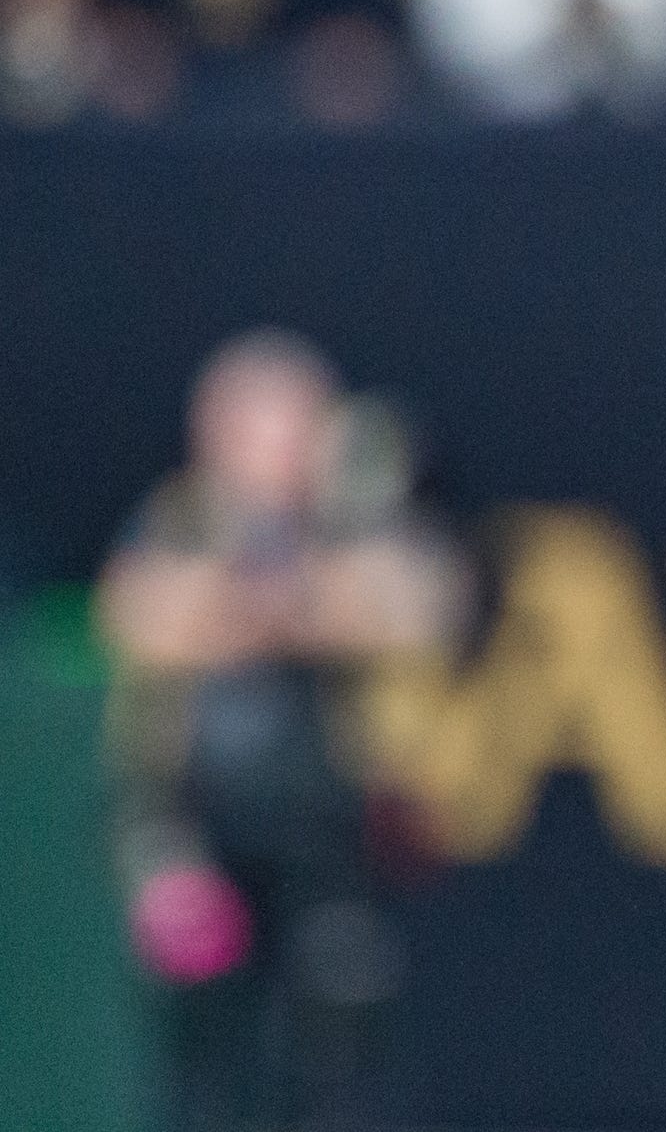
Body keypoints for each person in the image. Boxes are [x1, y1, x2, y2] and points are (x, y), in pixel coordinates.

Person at [98, 332, 464, 1132]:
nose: (280, 446)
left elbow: (417, 609)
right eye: (259, 425)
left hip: (331, 838)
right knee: (206, 1058)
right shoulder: (182, 516)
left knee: (339, 1047)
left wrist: (299, 590)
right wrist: (265, 603)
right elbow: (139, 616)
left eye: (298, 422)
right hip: (204, 830)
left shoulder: (359, 518)